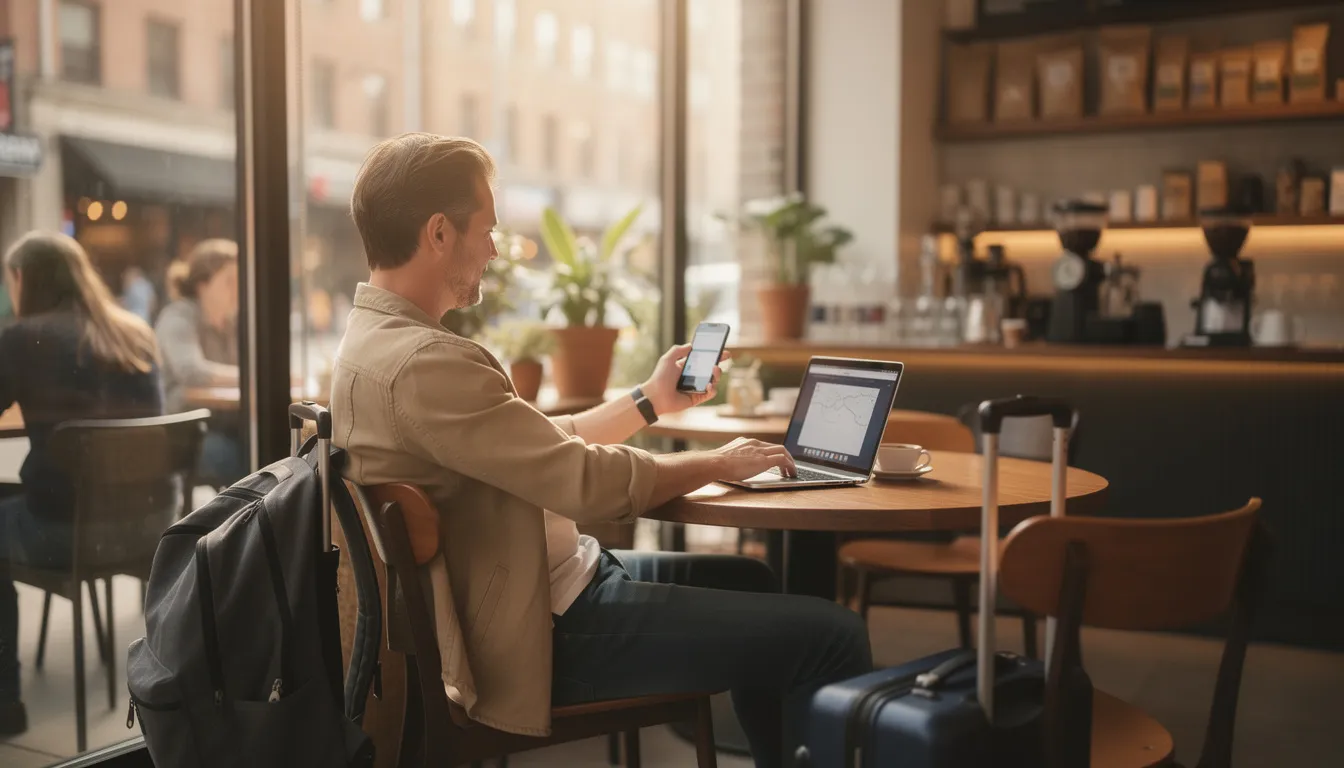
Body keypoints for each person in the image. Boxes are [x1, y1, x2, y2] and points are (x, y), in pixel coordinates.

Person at [332, 134, 871, 767]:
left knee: (749, 578)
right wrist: (717, 462)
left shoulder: (376, 344)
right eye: (488, 229)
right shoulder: (425, 364)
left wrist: (647, 401)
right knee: (832, 635)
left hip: (555, 588)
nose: (496, 248)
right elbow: (583, 482)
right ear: (440, 234)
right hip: (550, 629)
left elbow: (538, 446)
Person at [0, 232, 164, 736]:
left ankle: (6, 701)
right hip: (147, 528)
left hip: (69, 531)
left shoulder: (23, 338)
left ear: (24, 279)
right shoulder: (134, 333)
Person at [154, 239, 245, 484]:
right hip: (182, 433)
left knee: (273, 443)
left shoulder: (231, 324)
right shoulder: (178, 317)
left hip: (221, 424)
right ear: (202, 285)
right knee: (248, 456)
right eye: (229, 281)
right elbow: (192, 371)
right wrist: (251, 376)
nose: (238, 289)